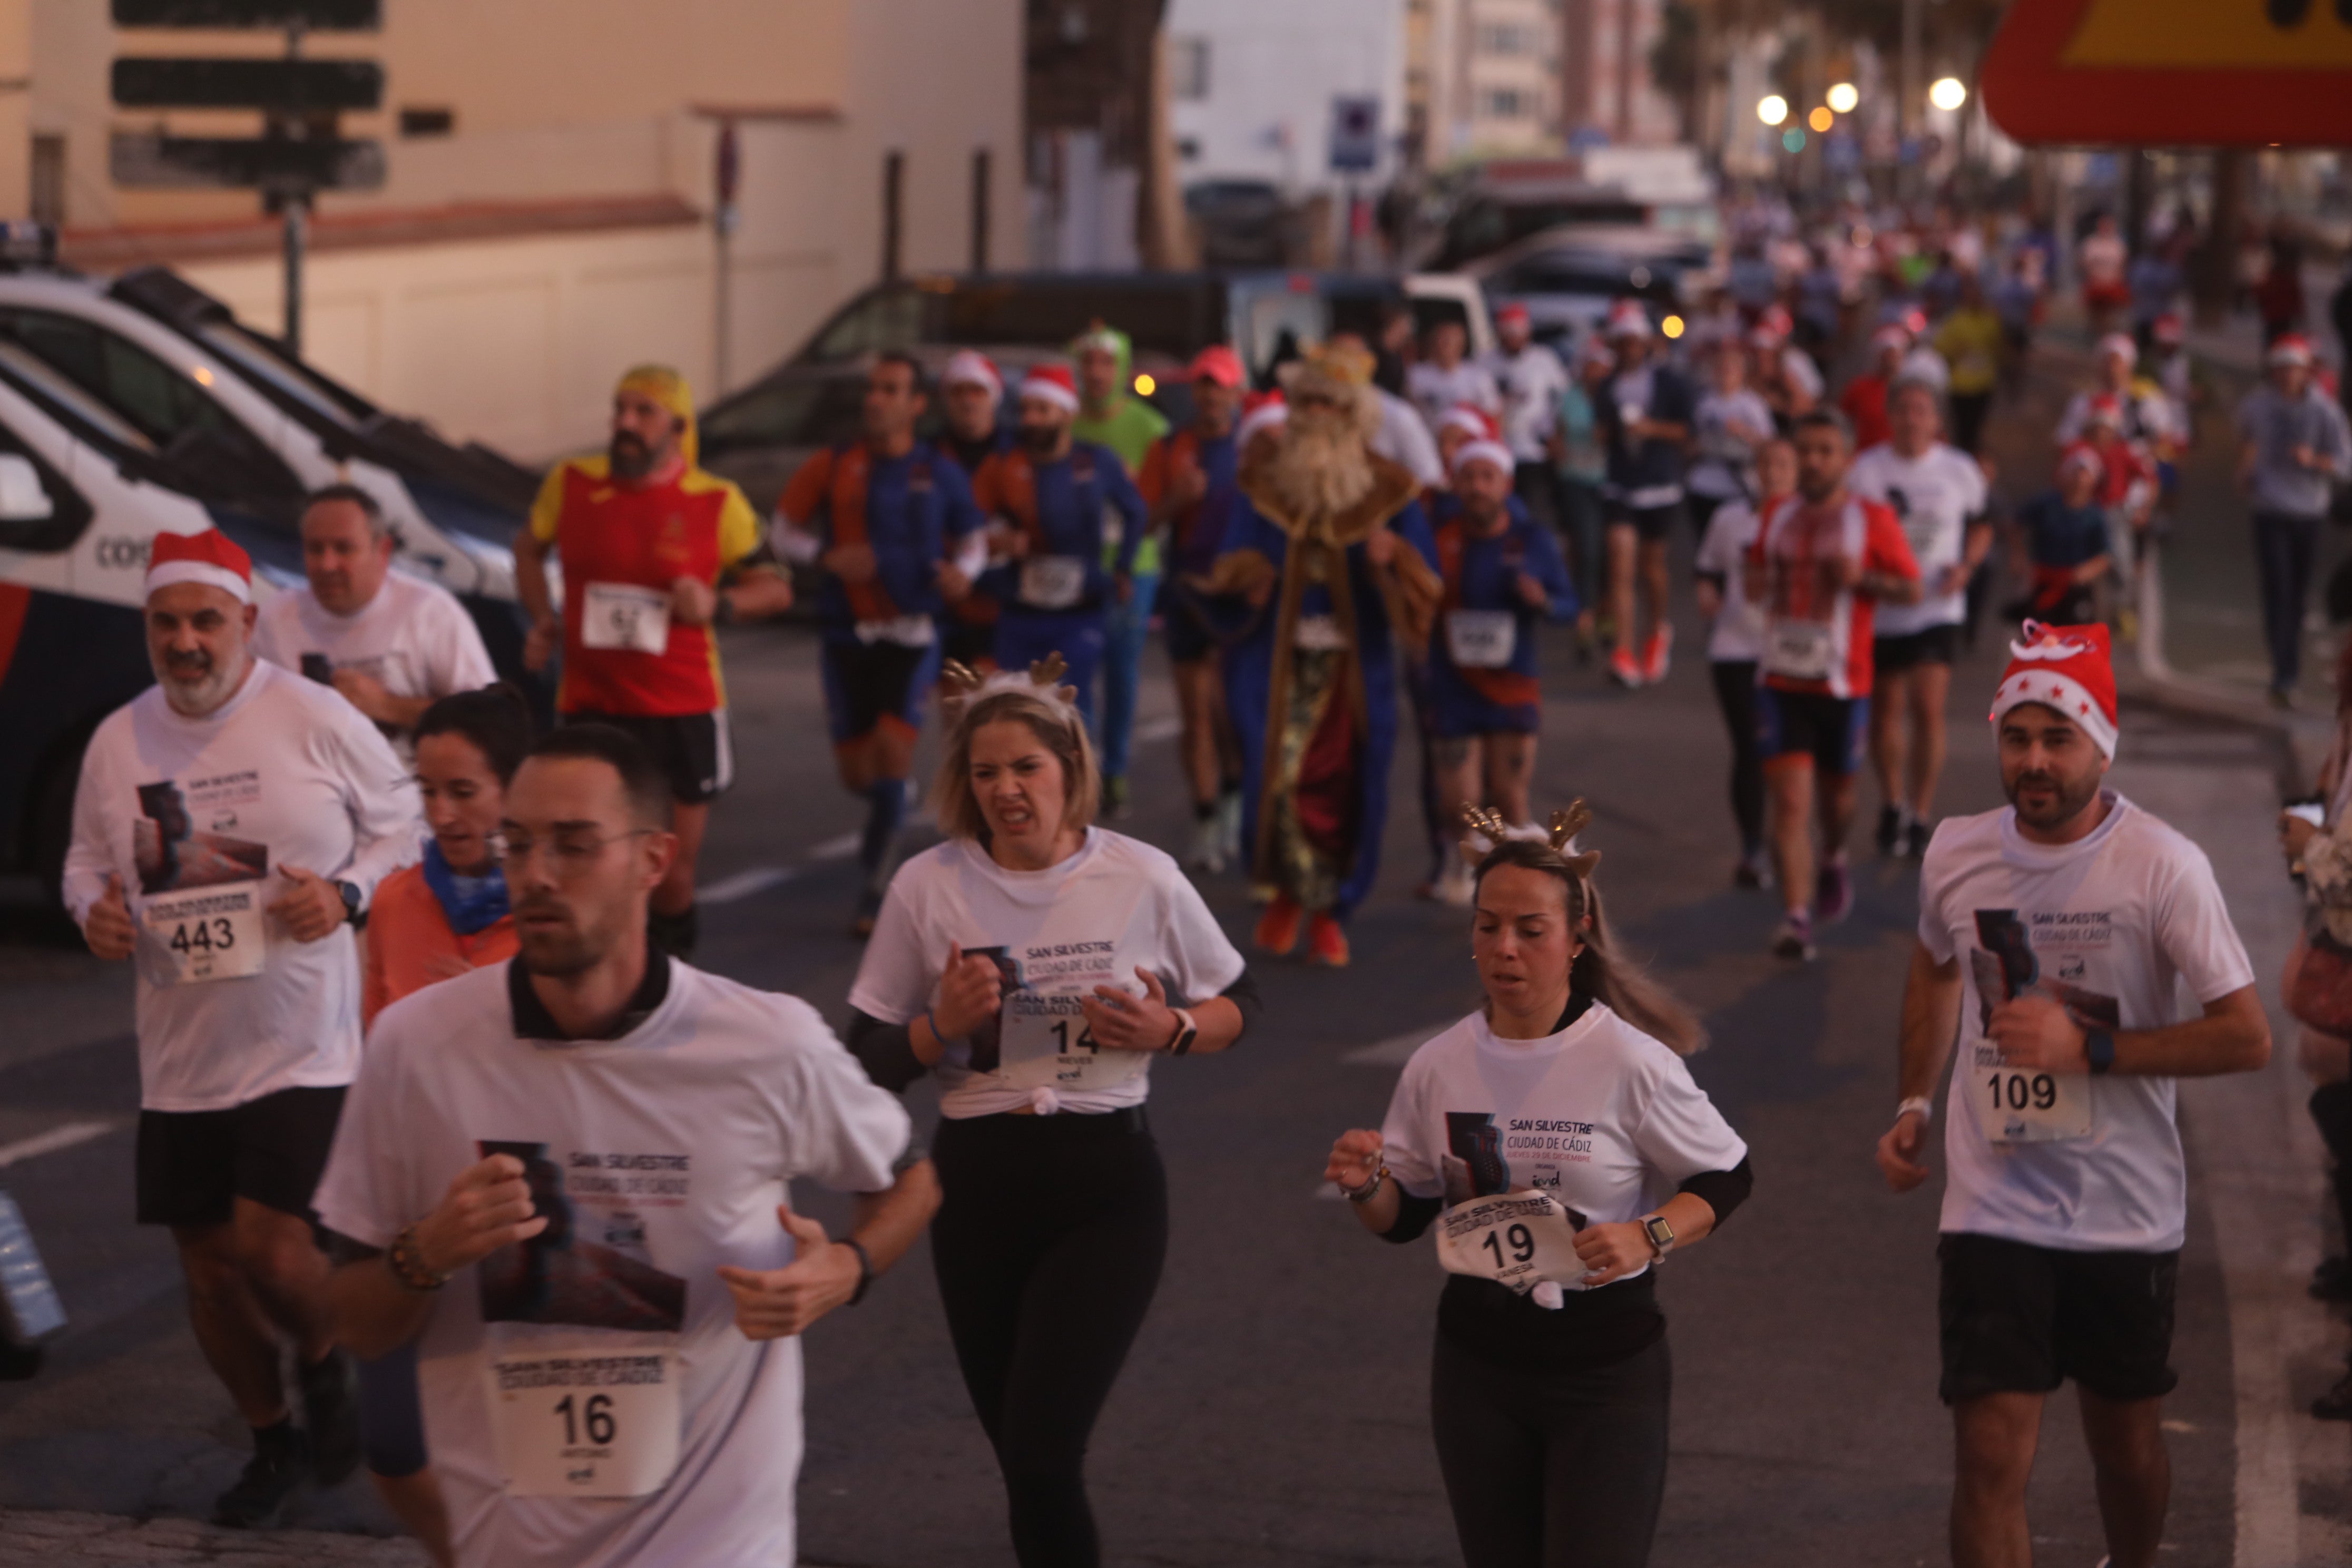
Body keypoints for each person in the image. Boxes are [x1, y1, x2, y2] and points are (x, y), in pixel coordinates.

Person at [317, 724, 938, 1568]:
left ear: (653, 862)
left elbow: (910, 1180)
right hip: (509, 1543)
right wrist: (424, 1254)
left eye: (573, 846)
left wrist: (847, 1269)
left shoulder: (765, 1043)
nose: (536, 874)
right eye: (520, 843)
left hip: (716, 1544)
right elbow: (351, 1317)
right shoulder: (416, 1047)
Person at [842, 662, 1259, 1568]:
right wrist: (936, 1028)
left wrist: (1171, 1026)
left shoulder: (1140, 876)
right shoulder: (928, 885)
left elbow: (1240, 1003)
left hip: (1103, 1185)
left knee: (1040, 1454)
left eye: (1025, 767)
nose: (1005, 790)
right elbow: (857, 1065)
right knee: (1022, 1463)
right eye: (985, 772)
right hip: (978, 1188)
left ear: (1069, 767)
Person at [1875, 622, 2270, 1568]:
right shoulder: (1955, 853)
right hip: (1991, 1200)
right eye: (2015, 738)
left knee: (2124, 1444)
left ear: (2101, 744)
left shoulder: (2163, 865)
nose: (2033, 761)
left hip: (2122, 1210)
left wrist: (2085, 1046)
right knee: (1986, 1453)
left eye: (2057, 738)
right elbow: (1933, 967)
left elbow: (2245, 1035)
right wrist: (1911, 1102)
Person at [61, 527, 422, 1528]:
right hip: (180, 1054)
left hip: (303, 1037)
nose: (185, 641)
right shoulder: (118, 739)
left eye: (205, 620)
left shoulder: (312, 715)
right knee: (210, 1271)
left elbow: (407, 822)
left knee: (270, 1248)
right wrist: (89, 908)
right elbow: (85, 863)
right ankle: (272, 1439)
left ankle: (329, 1361)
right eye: (166, 622)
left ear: (248, 624)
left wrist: (346, 893)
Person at [1325, 806, 1752, 1568]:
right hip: (1477, 1364)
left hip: (1605, 1369)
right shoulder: (1439, 1065)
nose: (1505, 949)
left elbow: (1726, 1177)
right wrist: (1368, 1185)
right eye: (1488, 927)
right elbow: (1405, 1216)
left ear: (1577, 936)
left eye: (1530, 929)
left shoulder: (1630, 1062)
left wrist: (1647, 1235)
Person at [514, 364, 794, 960]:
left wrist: (717, 602)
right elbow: (528, 549)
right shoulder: (571, 483)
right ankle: (607, 980)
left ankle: (668, 987)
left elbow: (777, 586)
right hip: (591, 706)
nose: (626, 424)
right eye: (621, 409)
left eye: (644, 412)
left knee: (668, 876)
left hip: (681, 709)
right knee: (588, 860)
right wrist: (543, 617)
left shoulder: (718, 501)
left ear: (678, 427)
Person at [354, 687, 533, 1566]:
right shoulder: (394, 902)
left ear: (515, 790)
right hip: (419, 1216)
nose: (444, 814)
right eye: (429, 792)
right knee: (391, 1443)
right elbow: (370, 1058)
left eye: (465, 791)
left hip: (537, 1220)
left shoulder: (562, 909)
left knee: (527, 1464)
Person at [1209, 341, 1441, 967]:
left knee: (1344, 784)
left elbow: (1429, 585)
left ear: (1355, 413)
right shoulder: (1263, 484)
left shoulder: (1389, 490)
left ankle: (1333, 910)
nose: (1315, 413)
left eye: (1330, 404)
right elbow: (1229, 559)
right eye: (1306, 400)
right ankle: (1288, 892)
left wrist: (1394, 564)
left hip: (1350, 669)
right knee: (1272, 777)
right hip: (1274, 663)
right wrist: (1247, 575)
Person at [775, 352, 986, 932]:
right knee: (857, 775)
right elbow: (783, 529)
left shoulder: (937, 471)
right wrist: (823, 557)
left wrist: (964, 571)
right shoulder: (833, 464)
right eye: (873, 389)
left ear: (917, 405)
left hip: (914, 634)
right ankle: (893, 798)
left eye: (891, 390)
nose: (876, 400)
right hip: (846, 634)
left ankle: (874, 892)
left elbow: (973, 537)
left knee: (893, 753)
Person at [1745, 410, 1923, 961]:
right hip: (1778, 678)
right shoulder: (1775, 511)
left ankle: (1835, 856)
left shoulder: (1872, 518)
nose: (1814, 461)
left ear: (1847, 458)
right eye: (1806, 450)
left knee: (1837, 800)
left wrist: (1862, 580)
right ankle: (1796, 919)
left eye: (1826, 450)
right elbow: (1754, 578)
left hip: (1844, 685)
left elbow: (1912, 591)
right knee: (1791, 801)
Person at [1423, 437, 1578, 904]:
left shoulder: (1532, 541)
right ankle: (1467, 858)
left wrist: (1543, 601)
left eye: (1487, 477)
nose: (1477, 487)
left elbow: (1569, 606)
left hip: (1513, 687)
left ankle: (1514, 888)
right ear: (1456, 482)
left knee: (1510, 801)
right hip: (1454, 687)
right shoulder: (1441, 536)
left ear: (1506, 484)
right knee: (1462, 805)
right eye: (1468, 477)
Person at [1851, 379, 1992, 860]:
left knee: (1928, 707)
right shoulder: (1866, 471)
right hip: (1884, 604)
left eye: (1922, 410)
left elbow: (1984, 524)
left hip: (1938, 604)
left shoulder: (1958, 469)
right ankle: (1892, 801)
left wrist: (1967, 566)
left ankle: (1920, 812)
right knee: (1886, 711)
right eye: (1905, 409)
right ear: (1891, 416)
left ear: (1937, 420)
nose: (1913, 418)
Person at [253, 484, 497, 762]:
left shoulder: (430, 611)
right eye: (315, 549)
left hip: (414, 789)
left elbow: (489, 720)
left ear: (383, 550)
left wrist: (387, 706)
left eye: (344, 549)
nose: (327, 564)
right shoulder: (274, 619)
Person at [973, 364, 1146, 729]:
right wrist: (996, 543)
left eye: (1042, 410)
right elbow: (966, 528)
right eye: (1025, 410)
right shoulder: (1002, 463)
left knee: (1068, 707)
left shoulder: (1096, 461)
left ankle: (1086, 779)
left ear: (1067, 413)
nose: (1031, 420)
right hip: (1019, 610)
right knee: (1018, 709)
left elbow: (1134, 511)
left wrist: (1123, 567)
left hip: (1079, 610)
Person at [1139, 346, 1250, 873]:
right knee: (1196, 716)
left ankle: (1233, 799)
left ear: (1236, 392)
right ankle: (1206, 817)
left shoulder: (1254, 446)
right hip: (1187, 588)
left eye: (1219, 385)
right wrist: (1177, 500)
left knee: (1231, 714)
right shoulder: (1173, 446)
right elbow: (1143, 523)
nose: (1210, 395)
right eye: (1203, 384)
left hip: (1238, 594)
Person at [1069, 324, 1170, 816]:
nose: (1097, 373)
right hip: (1079, 565)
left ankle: (1116, 771)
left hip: (1137, 565)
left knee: (1122, 671)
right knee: (1077, 668)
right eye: (1089, 362)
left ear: (1124, 370)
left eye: (1107, 363)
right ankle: (1084, 766)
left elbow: (1158, 501)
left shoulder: (1148, 427)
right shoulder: (1064, 425)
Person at [1694, 437, 1795, 890]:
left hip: (1793, 653)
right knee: (1751, 750)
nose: (1772, 471)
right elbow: (1708, 566)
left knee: (1789, 756)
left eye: (1781, 463)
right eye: (1765, 462)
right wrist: (1707, 590)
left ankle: (1789, 840)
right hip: (1736, 648)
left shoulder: (1810, 523)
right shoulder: (1730, 518)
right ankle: (1753, 847)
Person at [2238, 333, 2352, 704]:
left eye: (2294, 369)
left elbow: (2345, 465)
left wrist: (2315, 460)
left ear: (2306, 373)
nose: (2287, 376)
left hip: (2308, 511)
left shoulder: (2324, 411)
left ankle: (2290, 669)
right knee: (2277, 589)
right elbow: (2247, 439)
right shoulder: (2258, 405)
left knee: (2298, 595)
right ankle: (2283, 673)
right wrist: (2245, 468)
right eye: (2281, 369)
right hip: (2270, 509)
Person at [1595, 300, 1696, 689]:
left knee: (1652, 566)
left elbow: (1687, 431)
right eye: (1621, 343)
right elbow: (1603, 430)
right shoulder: (1608, 386)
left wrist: (1651, 430)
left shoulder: (1669, 382)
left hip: (1659, 485)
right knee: (1620, 564)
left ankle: (1655, 630)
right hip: (1621, 484)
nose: (1628, 350)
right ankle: (1623, 651)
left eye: (1634, 342)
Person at [936, 350, 1014, 674]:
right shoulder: (928, 455)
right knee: (956, 706)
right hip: (947, 598)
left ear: (994, 396)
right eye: (959, 392)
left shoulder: (1018, 453)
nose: (968, 401)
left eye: (977, 391)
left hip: (1006, 601)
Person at [1481, 303, 1570, 531]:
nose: (1512, 338)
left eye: (1517, 333)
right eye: (1507, 333)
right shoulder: (1484, 363)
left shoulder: (1544, 360)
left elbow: (1562, 400)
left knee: (1531, 512)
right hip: (1496, 450)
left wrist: (1556, 434)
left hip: (1533, 450)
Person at [2009, 447, 2115, 627]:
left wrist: (2087, 571)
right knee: (2038, 633)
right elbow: (2016, 524)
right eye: (2076, 473)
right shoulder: (2046, 504)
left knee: (2075, 636)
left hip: (2075, 583)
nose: (2080, 480)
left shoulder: (2095, 515)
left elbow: (2105, 555)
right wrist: (2018, 554)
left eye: (2086, 474)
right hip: (2043, 578)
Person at [1555, 336, 1613, 656]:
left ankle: (1606, 612)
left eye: (1601, 367)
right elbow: (1558, 435)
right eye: (1591, 367)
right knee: (1587, 549)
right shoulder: (1571, 398)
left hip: (1611, 482)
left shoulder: (1614, 396)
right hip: (1577, 480)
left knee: (1607, 552)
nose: (1596, 373)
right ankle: (1585, 620)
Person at [1331, 328, 1446, 488]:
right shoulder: (1311, 412)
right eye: (1333, 360)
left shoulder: (1398, 416)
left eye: (1350, 360)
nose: (1340, 369)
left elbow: (1430, 479)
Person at [1687, 340, 1775, 536]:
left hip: (1737, 484)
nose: (1724, 375)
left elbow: (1769, 445)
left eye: (1730, 370)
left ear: (1741, 373)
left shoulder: (1752, 405)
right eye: (1720, 369)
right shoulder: (1704, 403)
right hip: (1704, 482)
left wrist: (1743, 432)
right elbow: (1691, 440)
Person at [2056, 333, 2174, 452]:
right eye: (2105, 361)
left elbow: (2164, 436)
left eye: (2116, 361)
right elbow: (2064, 441)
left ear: (2129, 364)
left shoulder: (2146, 397)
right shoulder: (2083, 401)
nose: (2111, 368)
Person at [1933, 274, 2006, 456]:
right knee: (1962, 429)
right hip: (1960, 386)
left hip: (1984, 384)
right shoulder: (1955, 320)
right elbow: (1941, 349)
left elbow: (2000, 346)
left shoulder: (1991, 319)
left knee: (1976, 429)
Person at [1408, 318, 1501, 433]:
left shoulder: (1478, 377)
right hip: (1427, 440)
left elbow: (1493, 414)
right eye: (1438, 340)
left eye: (1447, 341)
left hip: (1465, 443)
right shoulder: (1416, 374)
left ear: (1461, 344)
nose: (1442, 345)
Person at [1839, 325, 1910, 454]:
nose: (1891, 360)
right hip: (1865, 456)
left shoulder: (1912, 391)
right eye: (1887, 354)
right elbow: (1842, 422)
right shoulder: (1859, 388)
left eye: (1895, 354)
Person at [2079, 211, 2129, 335]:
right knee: (2097, 315)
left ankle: (2110, 336)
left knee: (2112, 315)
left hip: (2113, 283)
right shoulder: (2091, 244)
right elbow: (2083, 264)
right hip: (2096, 283)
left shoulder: (2118, 245)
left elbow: (2123, 265)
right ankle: (2097, 335)